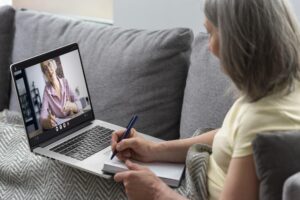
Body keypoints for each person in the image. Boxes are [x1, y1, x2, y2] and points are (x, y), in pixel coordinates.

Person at [111, 0, 300, 199]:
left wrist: (156, 192)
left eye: (211, 33)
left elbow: (246, 132)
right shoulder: (282, 87)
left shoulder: (260, 120)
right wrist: (154, 149)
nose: (209, 47)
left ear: (237, 40)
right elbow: (229, 136)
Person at [40, 59, 82, 129]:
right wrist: (47, 122)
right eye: (45, 69)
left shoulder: (65, 82)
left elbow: (79, 104)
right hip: (61, 129)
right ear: (45, 74)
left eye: (49, 65)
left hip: (74, 125)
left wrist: (71, 106)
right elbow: (42, 117)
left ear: (54, 65)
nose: (49, 70)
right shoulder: (47, 91)